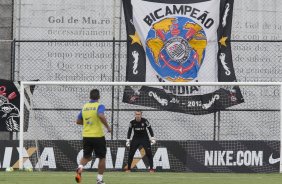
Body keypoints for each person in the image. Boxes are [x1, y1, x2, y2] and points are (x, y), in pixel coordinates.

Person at [75, 89, 111, 184]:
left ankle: (79, 168)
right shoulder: (100, 106)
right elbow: (100, 115)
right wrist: (107, 127)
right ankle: (99, 180)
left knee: (86, 157)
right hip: (98, 136)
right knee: (102, 157)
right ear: (99, 97)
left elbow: (78, 121)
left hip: (86, 136)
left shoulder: (85, 107)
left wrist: (88, 124)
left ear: (90, 97)